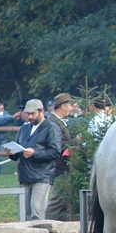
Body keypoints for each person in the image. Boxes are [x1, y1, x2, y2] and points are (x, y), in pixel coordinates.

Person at [5, 99, 62, 221]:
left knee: (36, 211)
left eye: (33, 114)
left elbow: (55, 152)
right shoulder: (23, 129)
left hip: (42, 175)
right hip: (24, 174)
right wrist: (12, 153)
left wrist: (35, 153)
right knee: (24, 213)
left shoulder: (52, 128)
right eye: (28, 114)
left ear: (42, 111)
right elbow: (18, 148)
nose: (30, 117)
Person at [45, 93, 80, 221]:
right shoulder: (53, 122)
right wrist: (75, 141)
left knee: (63, 198)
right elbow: (57, 144)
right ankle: (46, 224)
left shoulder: (57, 121)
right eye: (70, 105)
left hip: (62, 165)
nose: (71, 108)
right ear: (63, 106)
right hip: (58, 166)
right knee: (57, 199)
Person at [0, 103, 19, 174]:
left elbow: (7, 124)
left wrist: (11, 118)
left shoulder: (6, 115)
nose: (0, 110)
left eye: (2, 108)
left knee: (0, 156)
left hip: (2, 138)